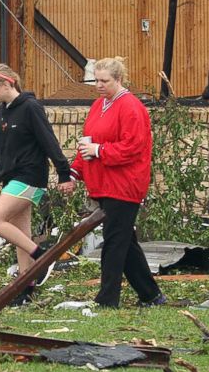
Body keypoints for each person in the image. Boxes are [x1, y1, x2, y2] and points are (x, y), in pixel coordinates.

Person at [58, 57, 165, 308]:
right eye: (96, 79)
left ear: (118, 80)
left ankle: (107, 300)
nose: (99, 85)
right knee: (125, 241)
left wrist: (100, 151)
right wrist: (74, 172)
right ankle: (151, 295)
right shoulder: (98, 106)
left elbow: (133, 147)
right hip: (104, 182)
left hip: (125, 183)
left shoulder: (131, 107)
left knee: (114, 242)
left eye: (104, 80)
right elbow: (88, 144)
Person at [0, 64, 74, 305]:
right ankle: (27, 288)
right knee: (20, 235)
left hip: (30, 176)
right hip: (11, 178)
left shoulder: (31, 107)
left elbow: (49, 141)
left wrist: (64, 174)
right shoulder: (2, 111)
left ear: (7, 84)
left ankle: (42, 256)